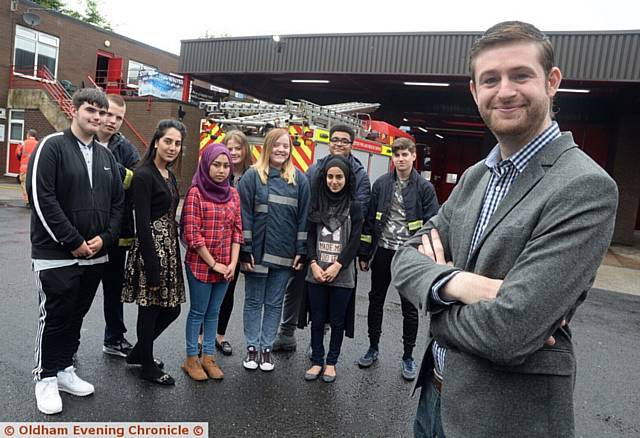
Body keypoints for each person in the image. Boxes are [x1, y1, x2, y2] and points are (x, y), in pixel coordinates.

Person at [392, 21, 618, 438]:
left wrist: (435, 304)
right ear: (475, 92)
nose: (505, 90)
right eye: (490, 79)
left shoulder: (585, 186)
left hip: (502, 420)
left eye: (521, 75)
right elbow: (405, 257)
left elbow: (509, 333)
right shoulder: (478, 175)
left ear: (552, 82)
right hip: (432, 399)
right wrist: (460, 283)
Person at [27, 88, 124, 415]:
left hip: (95, 255)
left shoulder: (108, 157)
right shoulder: (51, 147)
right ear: (74, 109)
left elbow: (117, 205)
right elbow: (43, 199)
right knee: (55, 315)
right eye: (91, 111)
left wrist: (106, 238)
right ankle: (45, 376)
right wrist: (73, 241)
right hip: (55, 255)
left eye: (102, 112)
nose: (97, 117)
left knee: (76, 316)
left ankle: (65, 369)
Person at [273, 124, 370, 352]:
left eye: (344, 140)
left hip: (340, 247)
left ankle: (319, 344)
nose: (338, 144)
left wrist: (345, 257)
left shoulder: (360, 175)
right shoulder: (315, 168)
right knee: (295, 287)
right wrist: (303, 246)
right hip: (312, 241)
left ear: (351, 144)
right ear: (329, 141)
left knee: (331, 295)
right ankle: (286, 334)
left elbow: (359, 213)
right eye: (334, 139)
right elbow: (303, 203)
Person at [358, 138, 439, 380]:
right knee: (376, 300)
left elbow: (433, 222)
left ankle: (408, 356)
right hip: (382, 250)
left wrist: (424, 257)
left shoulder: (425, 188)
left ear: (414, 156)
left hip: (409, 255)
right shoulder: (382, 184)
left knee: (410, 308)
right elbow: (370, 221)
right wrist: (364, 253)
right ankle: (373, 348)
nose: (401, 159)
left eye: (405, 154)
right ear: (392, 158)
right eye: (397, 155)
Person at [237, 127, 310, 371]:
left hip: (284, 252)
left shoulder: (299, 180)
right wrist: (245, 249)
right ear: (267, 147)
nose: (281, 150)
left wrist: (301, 249)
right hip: (256, 251)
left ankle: (266, 349)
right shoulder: (251, 176)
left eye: (286, 146)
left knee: (274, 302)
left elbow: (303, 218)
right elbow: (243, 214)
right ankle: (251, 347)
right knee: (254, 301)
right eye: (277, 145)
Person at [122, 119, 186, 386]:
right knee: (149, 309)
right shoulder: (144, 174)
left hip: (169, 248)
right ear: (156, 142)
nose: (172, 147)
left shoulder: (169, 174)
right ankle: (146, 366)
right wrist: (152, 265)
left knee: (171, 310)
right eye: (168, 141)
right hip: (152, 251)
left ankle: (139, 353)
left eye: (177, 143)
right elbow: (143, 223)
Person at [181, 143, 242, 381]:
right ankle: (191, 359)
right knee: (198, 311)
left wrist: (232, 264)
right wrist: (213, 263)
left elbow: (238, 231)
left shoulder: (233, 194)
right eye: (217, 164)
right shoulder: (195, 192)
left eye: (226, 166)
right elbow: (192, 235)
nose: (222, 170)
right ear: (207, 164)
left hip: (226, 266)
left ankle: (208, 357)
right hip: (200, 265)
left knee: (214, 312)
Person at [303, 155, 362, 383]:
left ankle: (331, 363)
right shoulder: (316, 203)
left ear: (347, 179)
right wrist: (313, 263)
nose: (334, 181)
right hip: (316, 272)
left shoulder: (355, 206)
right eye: (330, 176)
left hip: (342, 275)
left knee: (337, 321)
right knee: (317, 320)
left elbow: (355, 240)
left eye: (339, 177)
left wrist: (339, 265)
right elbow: (309, 235)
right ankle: (317, 360)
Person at [95, 94, 141, 359]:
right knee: (77, 294)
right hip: (83, 234)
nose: (112, 121)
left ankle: (114, 338)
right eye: (109, 114)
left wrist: (112, 169)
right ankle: (69, 345)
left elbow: (137, 181)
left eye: (119, 118)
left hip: (114, 234)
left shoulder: (125, 148)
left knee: (114, 289)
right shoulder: (81, 141)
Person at [213, 130, 252, 356]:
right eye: (230, 147)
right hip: (214, 243)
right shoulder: (215, 174)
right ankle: (200, 337)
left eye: (239, 148)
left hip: (236, 246)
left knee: (228, 292)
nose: (234, 152)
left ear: (246, 150)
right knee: (207, 294)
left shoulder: (253, 175)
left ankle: (220, 336)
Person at [16, 129, 39, 204]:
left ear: (28, 135)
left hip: (24, 169)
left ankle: (28, 201)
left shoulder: (23, 143)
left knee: (25, 185)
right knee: (34, 185)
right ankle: (34, 200)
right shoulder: (39, 143)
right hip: (36, 169)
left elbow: (18, 153)